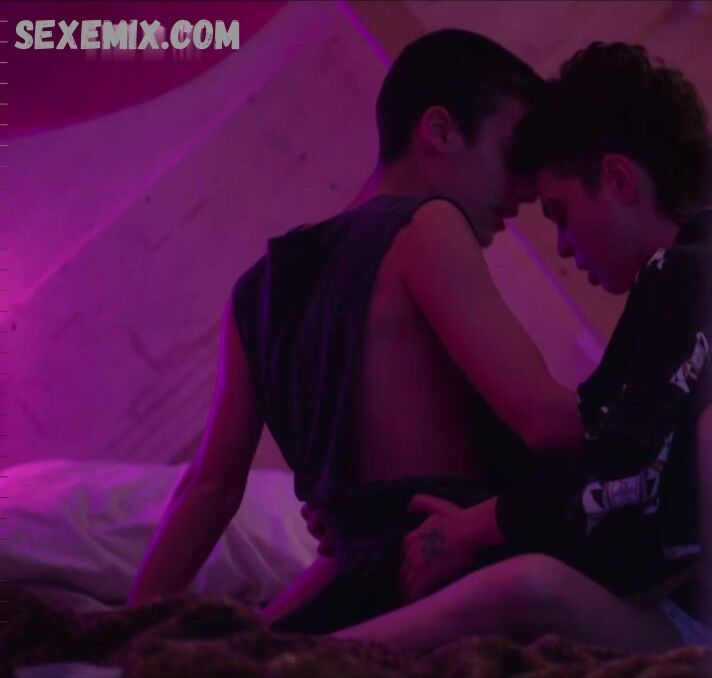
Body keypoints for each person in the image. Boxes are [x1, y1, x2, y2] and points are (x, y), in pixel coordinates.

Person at [332, 41, 712, 653]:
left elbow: (625, 474)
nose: (562, 245)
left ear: (618, 180)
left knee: (525, 585)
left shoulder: (689, 272)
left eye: (560, 213)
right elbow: (607, 446)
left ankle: (312, 659)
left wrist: (475, 526)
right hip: (708, 612)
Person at [128, 29, 584, 634]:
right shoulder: (428, 226)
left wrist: (130, 629)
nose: (525, 190)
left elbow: (209, 490)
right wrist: (666, 402)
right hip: (444, 571)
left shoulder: (256, 292)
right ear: (441, 130)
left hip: (352, 581)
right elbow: (544, 419)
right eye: (513, 156)